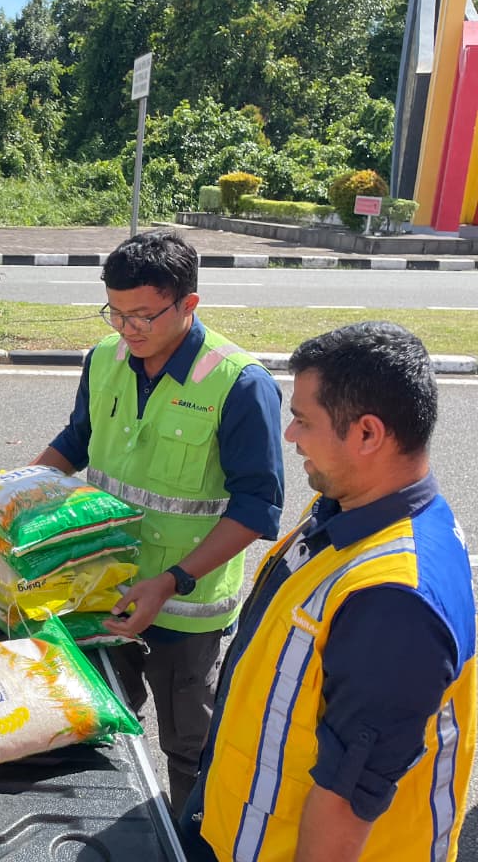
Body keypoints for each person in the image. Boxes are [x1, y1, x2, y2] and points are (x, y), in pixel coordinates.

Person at [179, 322, 475, 862]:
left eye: (302, 420)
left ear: (367, 434)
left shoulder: (394, 600)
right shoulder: (346, 509)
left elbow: (347, 800)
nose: (289, 436)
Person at [34, 230, 284, 810]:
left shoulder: (240, 384)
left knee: (189, 747)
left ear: (188, 304)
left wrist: (171, 581)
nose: (127, 330)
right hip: (105, 584)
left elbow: (257, 507)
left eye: (142, 315)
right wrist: (14, 496)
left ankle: (191, 840)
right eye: (115, 313)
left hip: (186, 610)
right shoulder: (103, 358)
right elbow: (80, 438)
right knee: (97, 722)